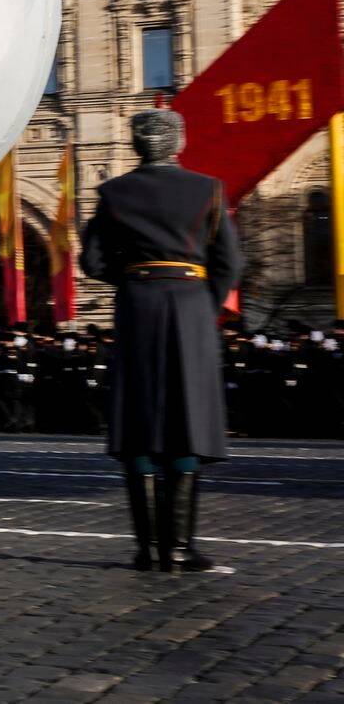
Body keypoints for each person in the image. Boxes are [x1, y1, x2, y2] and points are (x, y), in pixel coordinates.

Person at [81, 108, 241, 573]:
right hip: (191, 305)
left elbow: (92, 262)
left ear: (136, 144)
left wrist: (135, 278)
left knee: (138, 418)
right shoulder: (208, 189)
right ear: (179, 142)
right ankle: (180, 547)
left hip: (137, 305)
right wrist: (203, 304)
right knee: (188, 417)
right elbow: (230, 262)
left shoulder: (113, 192)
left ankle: (148, 549)